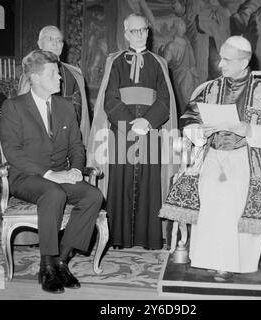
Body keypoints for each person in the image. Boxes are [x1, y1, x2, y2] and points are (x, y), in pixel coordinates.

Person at [180, 36, 261, 281]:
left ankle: (228, 262)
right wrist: (199, 131)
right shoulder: (211, 88)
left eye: (226, 59)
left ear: (244, 62)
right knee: (208, 187)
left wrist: (251, 130)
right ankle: (206, 258)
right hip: (212, 154)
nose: (219, 64)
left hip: (248, 155)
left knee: (232, 191)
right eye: (220, 58)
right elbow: (189, 118)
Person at [0, 50, 103, 294]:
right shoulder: (13, 106)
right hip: (26, 177)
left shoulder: (66, 107)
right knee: (54, 193)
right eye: (53, 73)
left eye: (58, 72)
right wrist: (49, 174)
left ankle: (61, 261)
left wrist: (77, 170)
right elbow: (12, 153)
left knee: (93, 196)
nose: (60, 77)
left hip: (60, 175)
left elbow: (77, 146)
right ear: (35, 77)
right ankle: (46, 266)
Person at [87, 14, 178, 250]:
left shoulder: (159, 62)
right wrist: (129, 124)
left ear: (148, 32)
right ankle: (119, 237)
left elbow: (165, 99)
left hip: (151, 131)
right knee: (121, 181)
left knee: (149, 182)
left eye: (144, 30)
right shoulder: (114, 61)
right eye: (134, 31)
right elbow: (110, 98)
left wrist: (147, 123)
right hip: (121, 132)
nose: (140, 35)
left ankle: (149, 237)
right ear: (126, 34)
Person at [17, 25, 90, 147]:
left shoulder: (75, 74)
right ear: (40, 43)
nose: (56, 43)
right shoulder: (31, 72)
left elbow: (80, 113)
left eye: (59, 40)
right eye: (50, 39)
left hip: (68, 141)